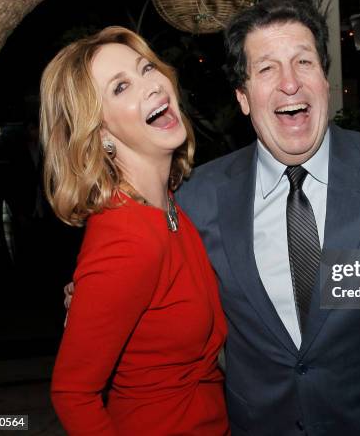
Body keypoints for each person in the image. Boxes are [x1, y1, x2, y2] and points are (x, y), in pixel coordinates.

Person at [175, 0, 360, 435]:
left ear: (325, 79)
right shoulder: (197, 198)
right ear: (243, 98)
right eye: (266, 69)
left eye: (304, 62)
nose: (290, 84)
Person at [42, 26, 229, 435]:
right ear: (101, 133)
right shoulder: (127, 237)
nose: (151, 85)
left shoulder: (167, 207)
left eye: (146, 69)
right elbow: (72, 394)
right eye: (121, 86)